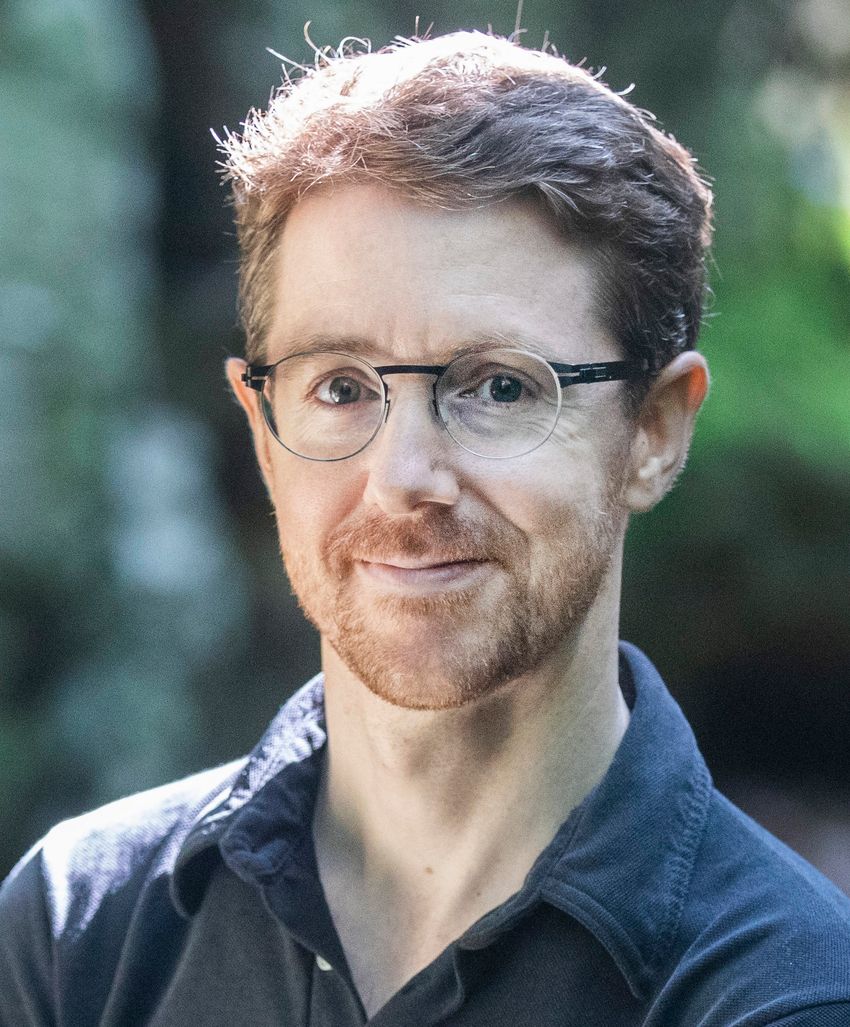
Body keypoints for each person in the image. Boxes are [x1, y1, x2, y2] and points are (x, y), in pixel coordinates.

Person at [2, 29, 849, 1027]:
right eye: (343, 387)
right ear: (264, 431)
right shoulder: (79, 930)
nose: (404, 478)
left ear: (654, 433)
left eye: (497, 386)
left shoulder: (785, 993)